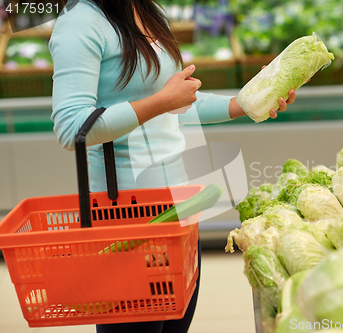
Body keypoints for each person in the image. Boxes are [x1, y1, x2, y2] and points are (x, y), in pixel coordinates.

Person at [49, 0, 296, 332]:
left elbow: (175, 104)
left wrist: (247, 102)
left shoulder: (149, 10)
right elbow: (71, 127)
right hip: (127, 217)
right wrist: (161, 101)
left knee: (177, 324)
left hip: (178, 210)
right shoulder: (80, 24)